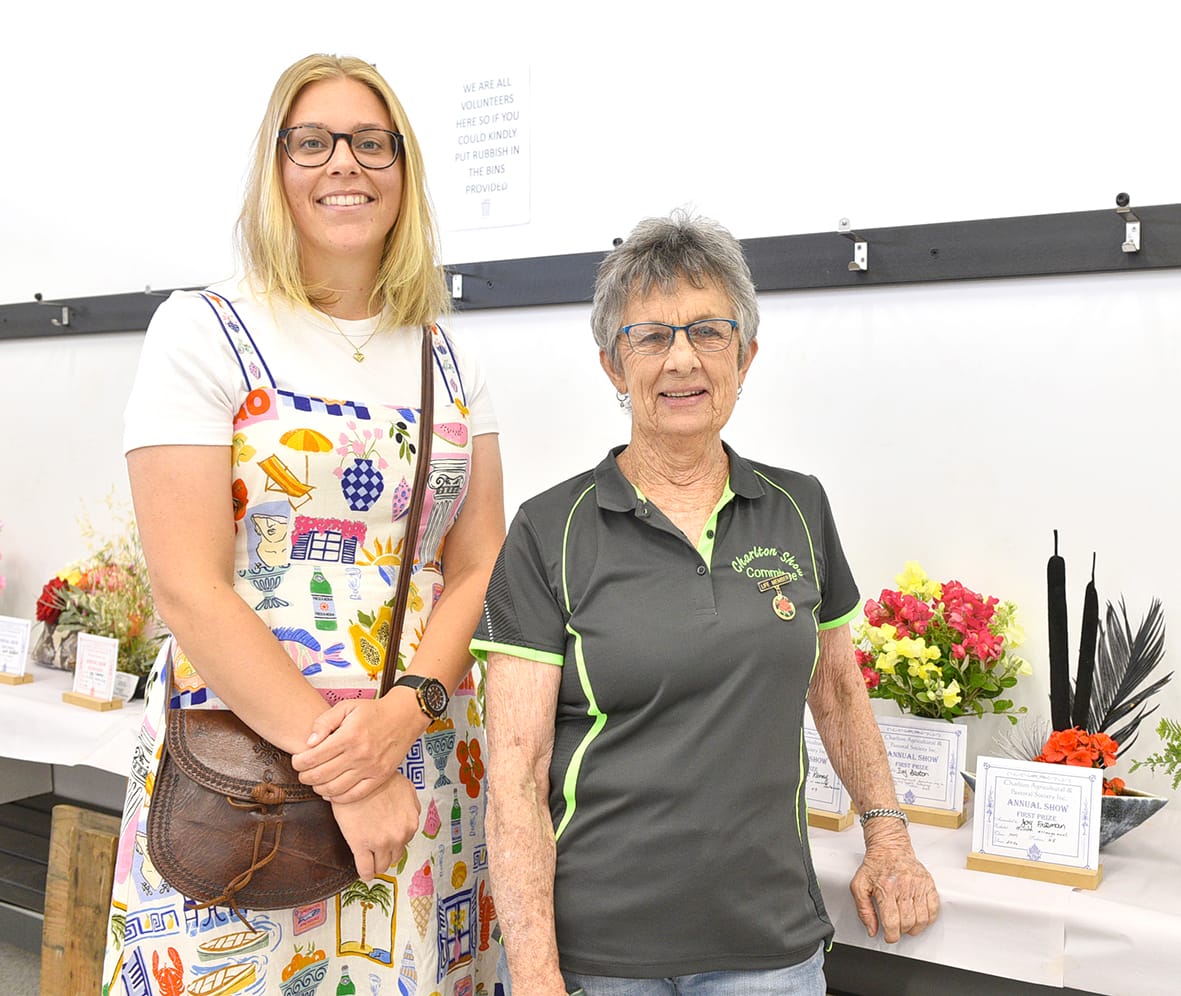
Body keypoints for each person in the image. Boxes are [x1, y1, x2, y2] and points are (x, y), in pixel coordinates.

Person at [103, 54, 505, 995]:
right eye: (312, 142)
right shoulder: (201, 330)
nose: (344, 165)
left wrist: (401, 722)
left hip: (425, 762)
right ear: (274, 167)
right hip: (246, 766)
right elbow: (189, 587)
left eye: (372, 143)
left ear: (403, 171)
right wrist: (354, 773)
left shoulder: (452, 355)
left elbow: (481, 562)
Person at [471, 211, 939, 995]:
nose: (680, 359)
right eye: (649, 337)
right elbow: (514, 775)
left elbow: (835, 687)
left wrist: (885, 836)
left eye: (707, 332)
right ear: (612, 367)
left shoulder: (799, 506)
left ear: (745, 355)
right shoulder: (548, 530)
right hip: (602, 953)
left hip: (771, 945)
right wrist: (537, 975)